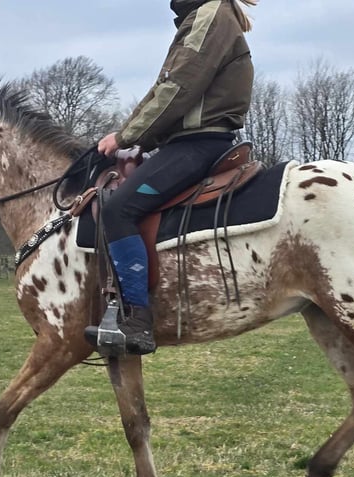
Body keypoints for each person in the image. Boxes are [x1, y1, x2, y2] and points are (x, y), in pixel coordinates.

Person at [91, 0, 257, 355]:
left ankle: (137, 320)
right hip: (188, 141)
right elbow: (162, 89)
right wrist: (135, 137)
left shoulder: (211, 13)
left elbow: (179, 86)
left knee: (118, 209)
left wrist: (126, 136)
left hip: (199, 144)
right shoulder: (204, 16)